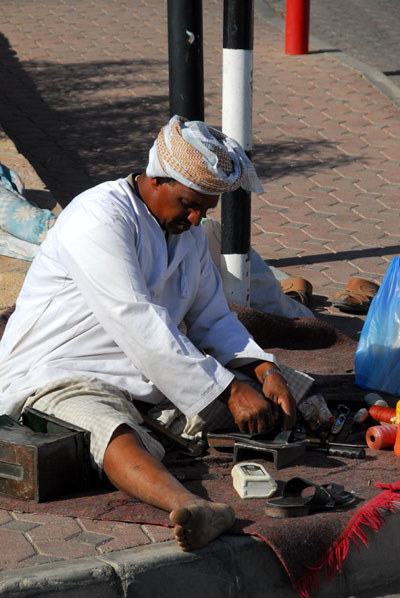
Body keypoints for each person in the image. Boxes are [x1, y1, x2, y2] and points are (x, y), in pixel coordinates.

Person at [0, 115, 297, 552]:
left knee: (272, 395)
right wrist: (230, 390)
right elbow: (137, 320)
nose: (196, 220)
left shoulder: (189, 234)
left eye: (204, 211)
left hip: (145, 373)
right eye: (189, 204)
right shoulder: (98, 216)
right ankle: (190, 505)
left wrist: (261, 367)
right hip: (59, 370)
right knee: (109, 427)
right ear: (157, 179)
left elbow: (212, 317)